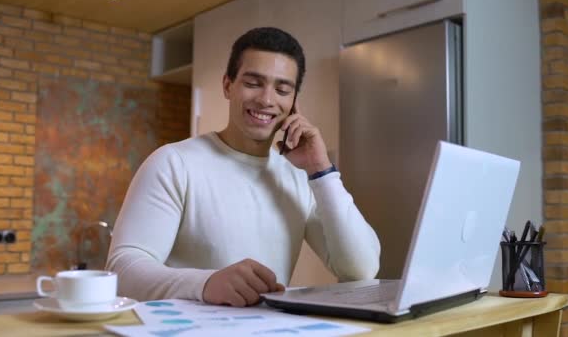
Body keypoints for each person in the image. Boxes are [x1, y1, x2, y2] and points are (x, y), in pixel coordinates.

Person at [106, 27, 380, 307]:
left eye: (282, 89)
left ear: (294, 101)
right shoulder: (173, 163)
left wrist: (321, 171)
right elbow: (123, 269)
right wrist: (205, 283)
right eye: (253, 83)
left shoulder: (298, 177)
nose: (266, 99)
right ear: (228, 85)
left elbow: (361, 269)